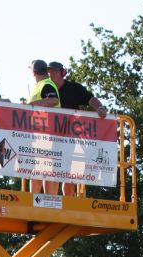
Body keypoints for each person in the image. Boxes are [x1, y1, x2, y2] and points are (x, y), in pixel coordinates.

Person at [47, 61, 107, 195]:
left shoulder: (74, 88)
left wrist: (100, 108)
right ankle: (49, 203)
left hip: (71, 139)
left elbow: (91, 99)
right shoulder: (46, 89)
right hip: (51, 137)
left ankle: (67, 205)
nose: (51, 75)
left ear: (62, 73)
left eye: (54, 72)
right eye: (49, 72)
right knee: (50, 171)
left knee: (69, 175)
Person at [28, 59, 60, 196]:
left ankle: (47, 201)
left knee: (46, 169)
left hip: (48, 134)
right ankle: (42, 201)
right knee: (41, 169)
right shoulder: (42, 84)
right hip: (42, 134)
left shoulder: (45, 84)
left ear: (33, 72)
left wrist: (34, 104)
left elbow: (54, 100)